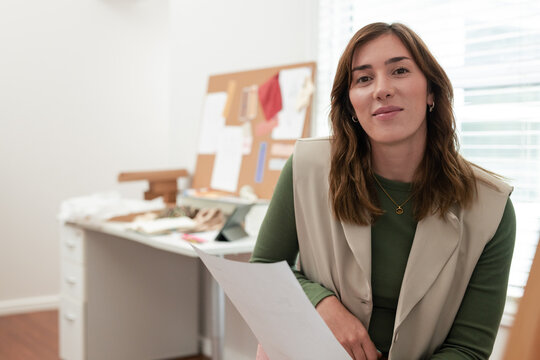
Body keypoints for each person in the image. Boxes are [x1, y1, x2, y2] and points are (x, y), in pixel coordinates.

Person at [250, 22, 516, 360]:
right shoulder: (308, 167)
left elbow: (468, 349)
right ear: (350, 105)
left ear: (432, 91)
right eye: (363, 78)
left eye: (400, 70)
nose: (382, 89)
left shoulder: (491, 208)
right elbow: (265, 269)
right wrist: (322, 303)